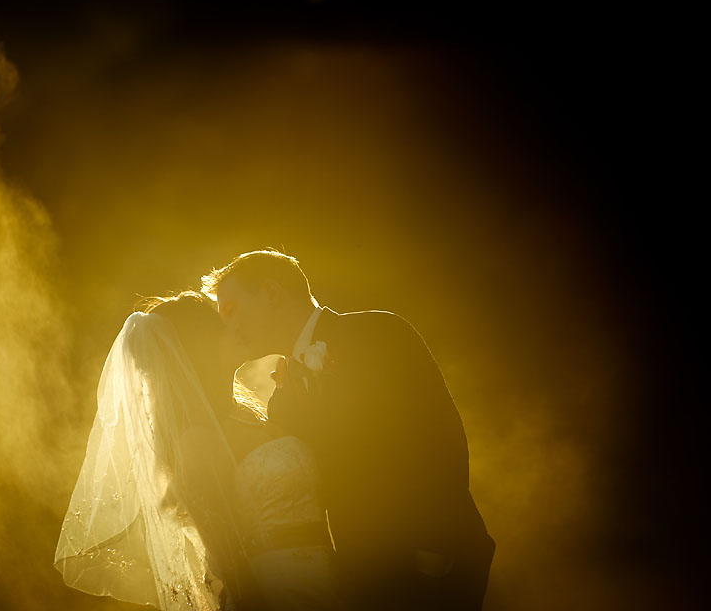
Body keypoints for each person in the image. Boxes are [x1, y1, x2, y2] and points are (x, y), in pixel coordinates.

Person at [201, 250, 496, 610]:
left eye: (231, 309)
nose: (227, 326)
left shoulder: (378, 332)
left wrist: (433, 551)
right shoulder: (281, 398)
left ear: (271, 292)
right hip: (361, 576)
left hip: (436, 562)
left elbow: (439, 439)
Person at [55, 292, 342, 611]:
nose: (237, 330)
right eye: (224, 328)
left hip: (332, 577)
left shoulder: (250, 411)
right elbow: (228, 562)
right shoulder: (197, 442)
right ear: (201, 347)